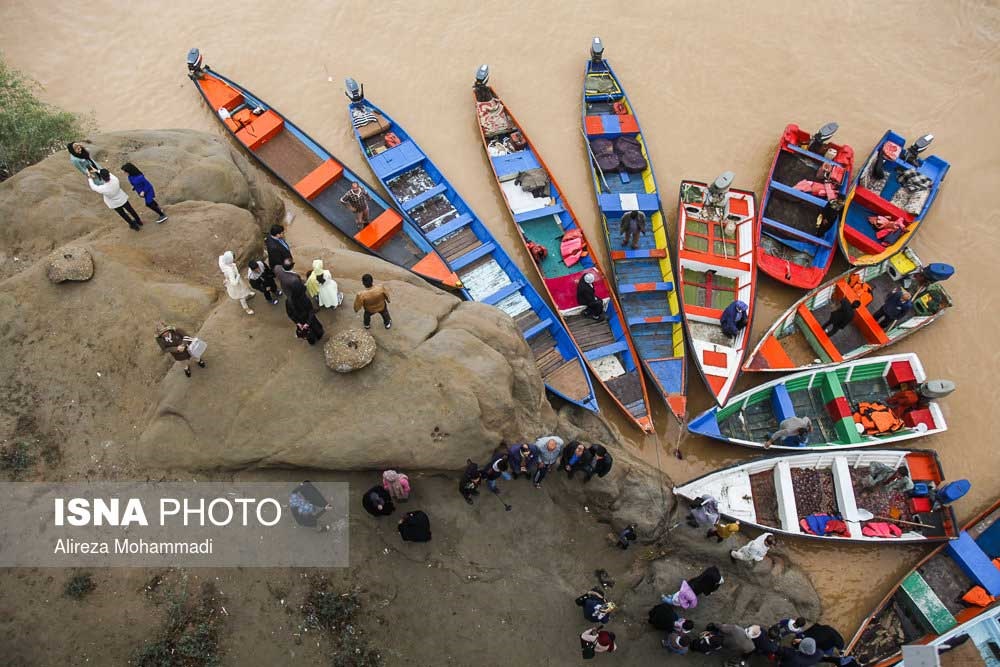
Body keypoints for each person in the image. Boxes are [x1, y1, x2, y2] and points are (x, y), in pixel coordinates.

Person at [218, 251, 255, 315]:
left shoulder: (222, 260)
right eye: (232, 258)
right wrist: (238, 276)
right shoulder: (230, 270)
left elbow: (221, 257)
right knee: (241, 296)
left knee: (244, 288)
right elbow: (234, 283)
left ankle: (248, 294)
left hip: (232, 279)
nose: (234, 259)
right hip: (235, 283)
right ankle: (246, 309)